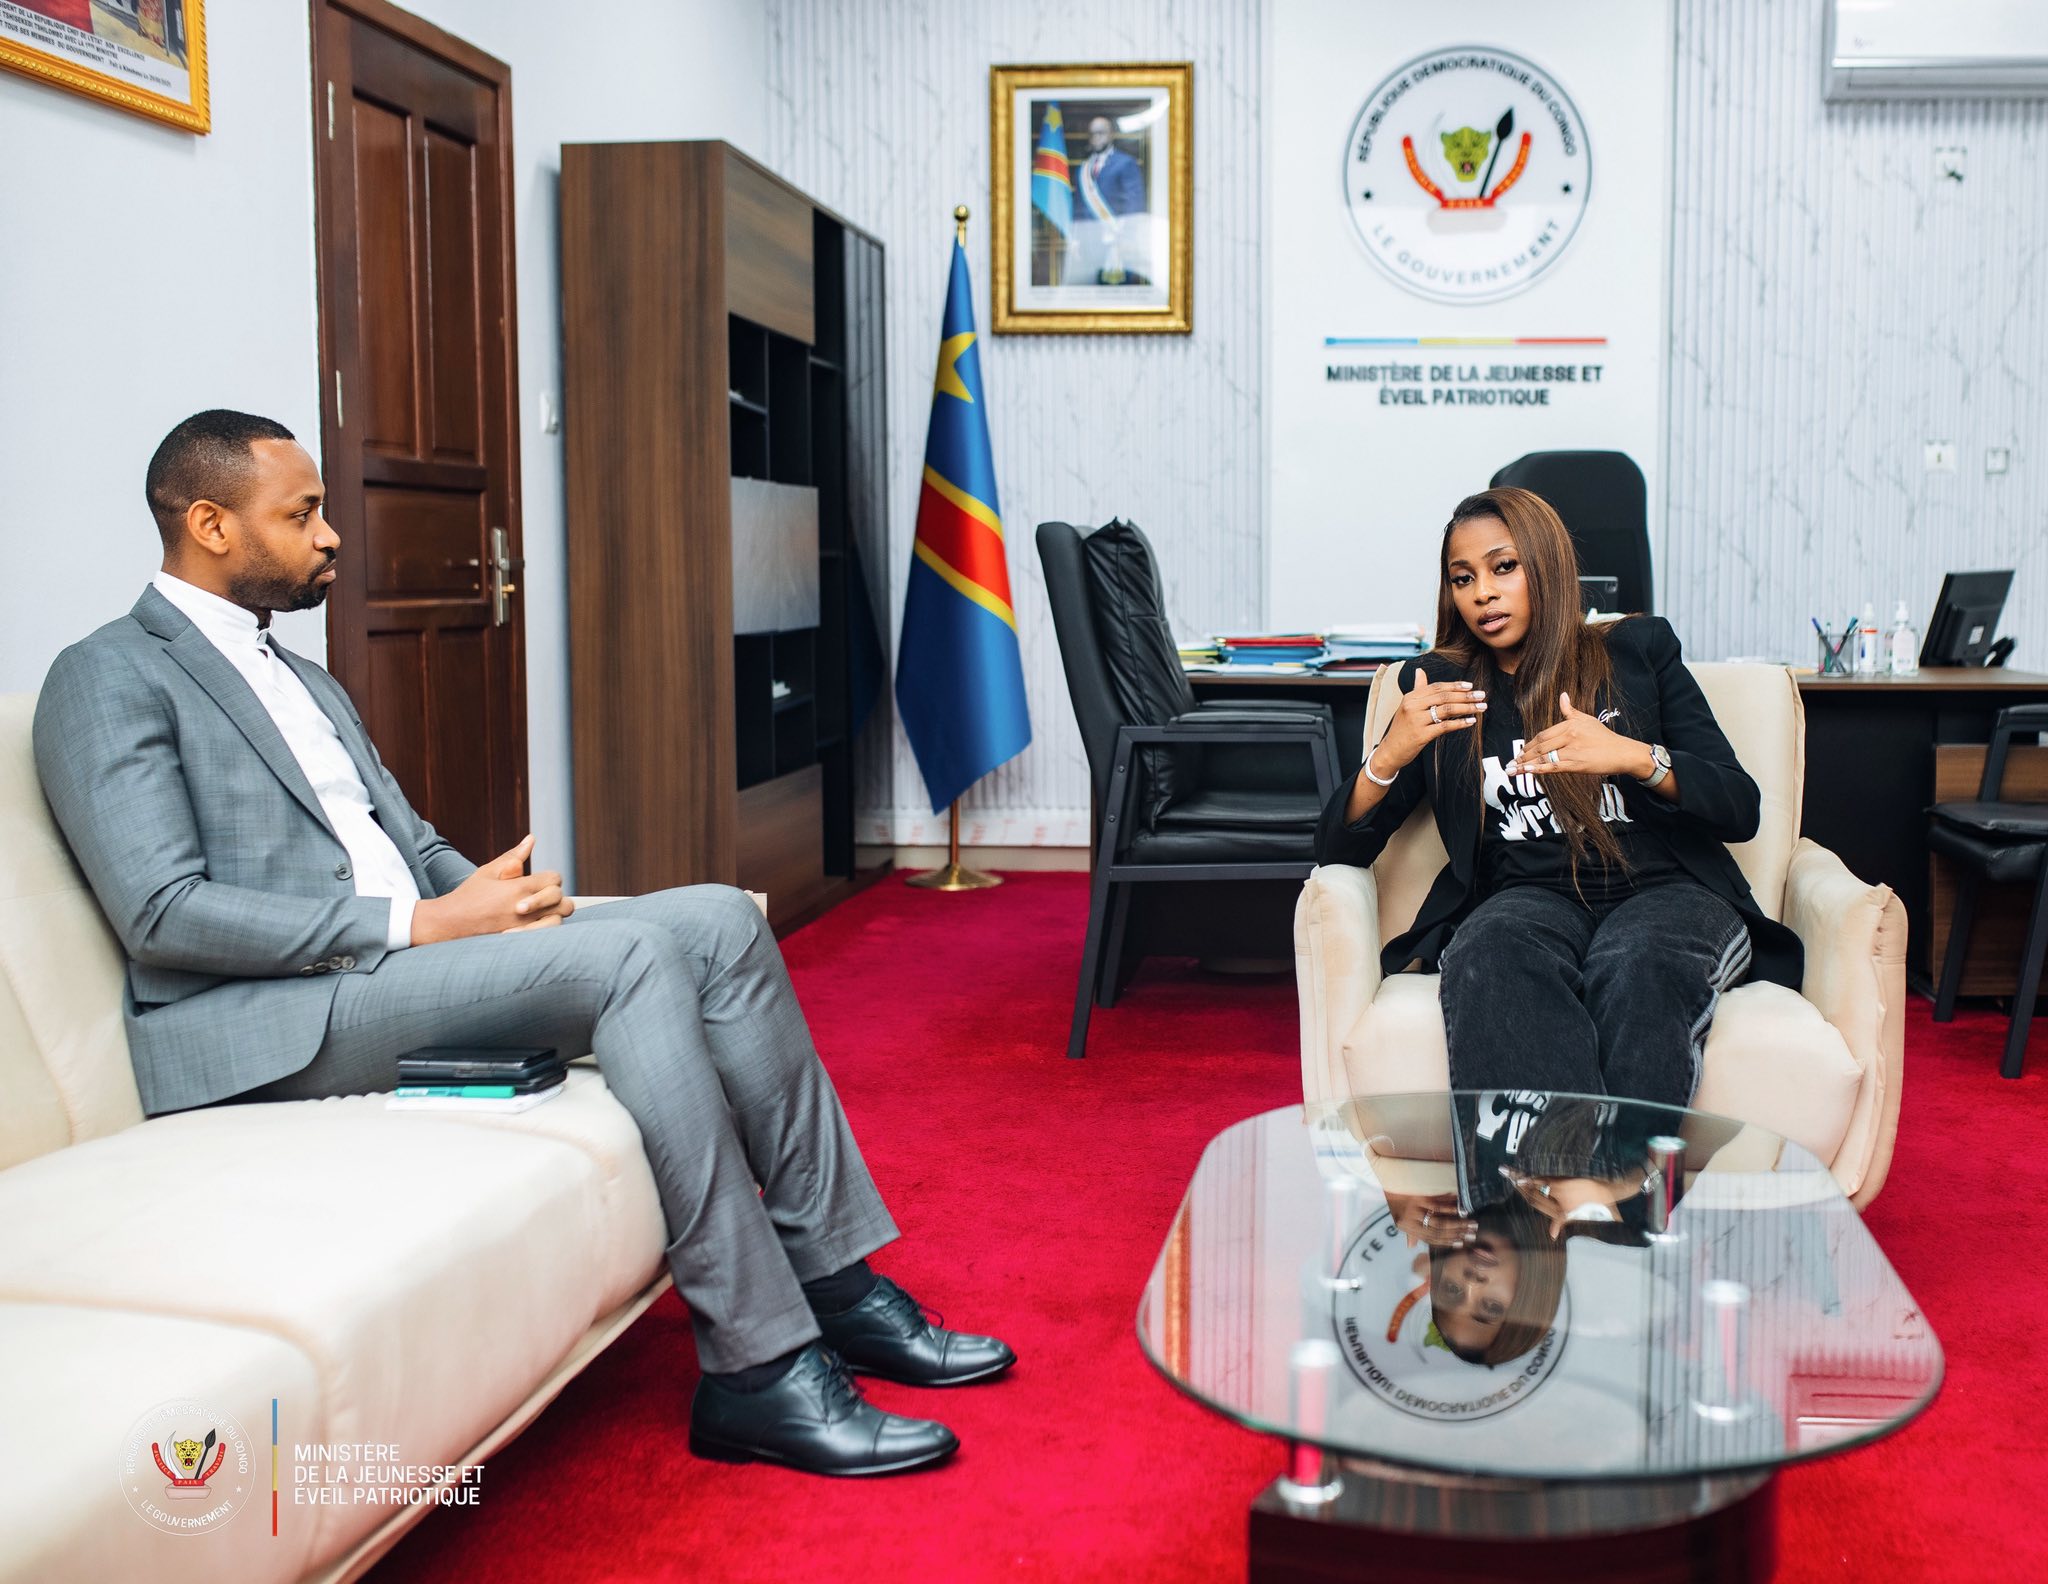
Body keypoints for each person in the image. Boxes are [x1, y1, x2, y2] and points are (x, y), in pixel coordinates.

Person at [33, 409, 1014, 1479]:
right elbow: (163, 912)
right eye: (301, 514)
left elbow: (406, 842)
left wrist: (494, 902)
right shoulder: (105, 674)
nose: (330, 535)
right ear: (211, 524)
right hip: (268, 1018)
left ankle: (835, 1284)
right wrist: (420, 923)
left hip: (396, 968)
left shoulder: (304, 678)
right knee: (631, 959)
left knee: (720, 920)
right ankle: (758, 1369)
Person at [1316, 486, 1802, 1108]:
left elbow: (1739, 807)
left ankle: (1601, 1172)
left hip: (1668, 893)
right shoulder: (1442, 688)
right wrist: (1390, 753)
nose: (1482, 593)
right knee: (1488, 954)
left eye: (1503, 567)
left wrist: (1633, 757)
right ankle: (1559, 1172)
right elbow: (1337, 847)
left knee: (1637, 963)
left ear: (1546, 565)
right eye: (1463, 578)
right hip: (1525, 897)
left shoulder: (1638, 651)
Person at [1071, 114, 1148, 285]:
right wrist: (1075, 238)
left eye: (1101, 132)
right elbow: (1078, 207)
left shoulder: (1126, 163)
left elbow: (1135, 204)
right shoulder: (1083, 169)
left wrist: (1127, 235)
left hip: (1116, 242)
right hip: (1089, 244)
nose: (1096, 137)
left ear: (1111, 134)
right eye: (1092, 134)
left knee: (1117, 292)